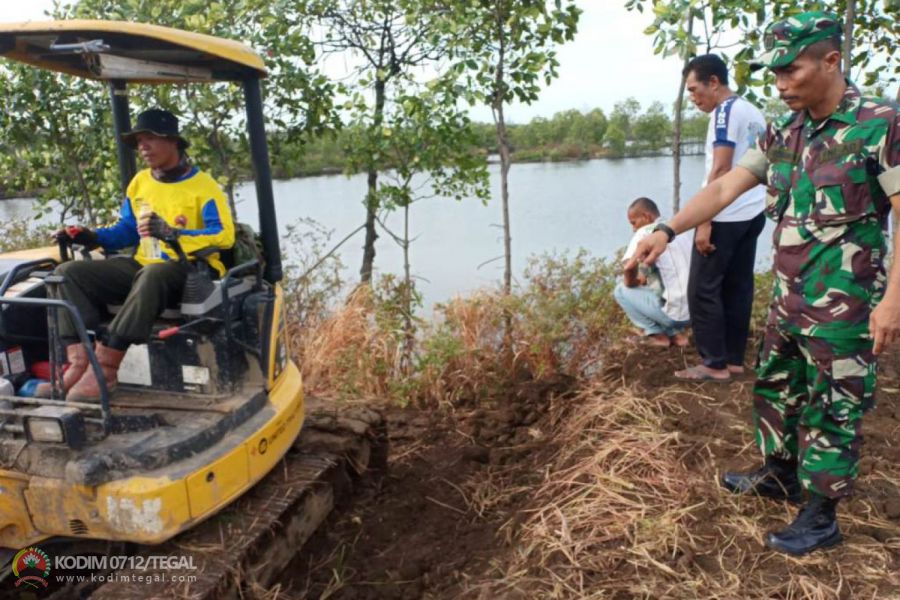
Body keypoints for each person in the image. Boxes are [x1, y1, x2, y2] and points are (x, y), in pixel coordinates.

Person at [628, 11, 900, 556]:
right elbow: (729, 184)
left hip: (846, 305)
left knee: (833, 405)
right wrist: (666, 227)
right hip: (789, 295)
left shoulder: (880, 123)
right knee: (776, 387)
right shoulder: (786, 129)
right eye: (773, 72)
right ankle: (779, 474)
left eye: (790, 70)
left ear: (830, 61)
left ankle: (822, 516)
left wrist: (893, 301)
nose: (779, 83)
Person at [40, 108, 235, 401]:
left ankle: (105, 367)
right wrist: (90, 236)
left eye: (150, 139)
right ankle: (79, 362)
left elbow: (224, 236)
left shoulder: (205, 187)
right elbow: (127, 231)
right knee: (66, 274)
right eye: (139, 141)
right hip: (144, 265)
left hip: (189, 270)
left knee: (153, 273)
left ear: (173, 142)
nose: (143, 147)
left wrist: (174, 234)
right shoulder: (140, 182)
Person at [677, 54, 767, 382]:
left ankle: (713, 364)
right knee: (738, 287)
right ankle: (732, 361)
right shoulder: (753, 110)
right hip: (753, 211)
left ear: (714, 82)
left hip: (726, 214)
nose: (693, 97)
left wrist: (704, 221)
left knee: (702, 288)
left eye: (694, 88)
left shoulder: (724, 111)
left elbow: (721, 167)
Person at [614, 197, 692, 347]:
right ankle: (677, 336)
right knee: (659, 288)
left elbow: (628, 268)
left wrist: (633, 282)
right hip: (696, 312)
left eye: (634, 223)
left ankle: (657, 335)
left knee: (621, 290)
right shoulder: (677, 230)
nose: (633, 229)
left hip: (675, 315)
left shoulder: (645, 233)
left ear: (646, 217)